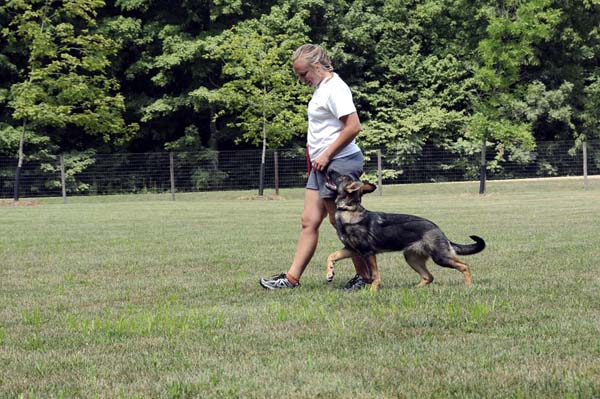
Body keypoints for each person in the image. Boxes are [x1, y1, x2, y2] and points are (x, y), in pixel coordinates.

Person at [260, 43, 372, 290]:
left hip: (339, 163)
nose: (301, 80)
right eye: (298, 75)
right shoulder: (321, 88)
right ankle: (291, 279)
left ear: (317, 65)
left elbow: (353, 127)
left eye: (303, 74)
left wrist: (327, 154)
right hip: (322, 165)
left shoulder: (335, 89)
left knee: (342, 222)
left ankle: (366, 278)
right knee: (309, 220)